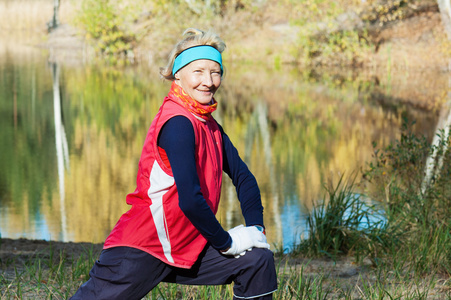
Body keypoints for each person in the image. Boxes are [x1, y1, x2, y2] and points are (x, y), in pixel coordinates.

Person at [70, 28, 277, 300]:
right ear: (178, 74)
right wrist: (227, 243)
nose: (209, 81)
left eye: (216, 72)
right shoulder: (178, 123)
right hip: (145, 245)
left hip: (189, 244)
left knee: (256, 260)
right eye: (198, 72)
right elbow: (190, 200)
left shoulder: (209, 125)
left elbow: (244, 178)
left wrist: (255, 232)